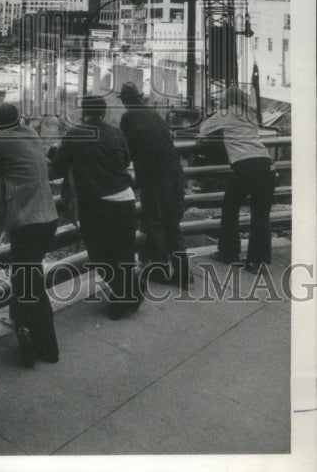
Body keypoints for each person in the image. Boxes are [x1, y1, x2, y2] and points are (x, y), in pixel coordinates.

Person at [0, 102, 59, 367]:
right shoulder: (31, 134)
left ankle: (46, 346)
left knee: (30, 285)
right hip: (47, 217)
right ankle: (24, 330)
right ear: (18, 119)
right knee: (28, 279)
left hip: (26, 221)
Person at [49, 96, 142, 320]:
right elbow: (124, 160)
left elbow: (58, 164)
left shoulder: (74, 134)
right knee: (124, 253)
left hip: (99, 204)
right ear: (103, 112)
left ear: (83, 112)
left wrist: (57, 150)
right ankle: (131, 293)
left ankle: (122, 299)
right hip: (126, 199)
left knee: (100, 254)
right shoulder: (117, 133)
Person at [118, 82, 191, 286]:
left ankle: (160, 272)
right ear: (140, 97)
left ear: (124, 101)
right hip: (176, 173)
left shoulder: (128, 117)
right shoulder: (154, 114)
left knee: (155, 223)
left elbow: (125, 151)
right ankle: (184, 274)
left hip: (156, 178)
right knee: (172, 224)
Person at [197, 86, 276, 272]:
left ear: (226, 99)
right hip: (267, 165)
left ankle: (229, 252)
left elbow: (203, 130)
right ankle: (257, 262)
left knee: (230, 206)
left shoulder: (224, 114)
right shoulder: (250, 114)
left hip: (246, 167)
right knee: (261, 215)